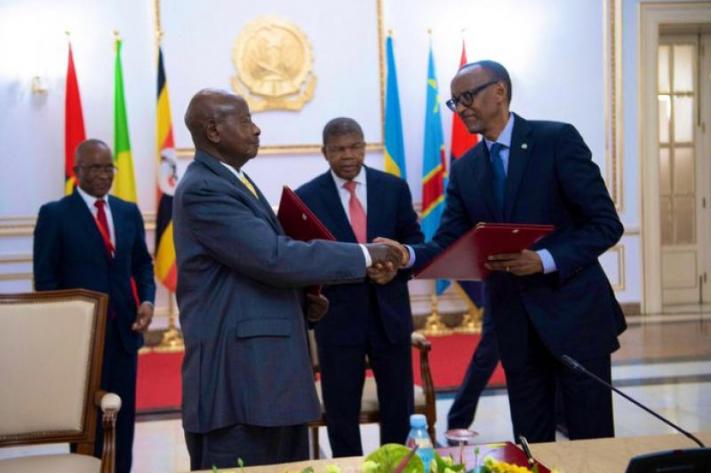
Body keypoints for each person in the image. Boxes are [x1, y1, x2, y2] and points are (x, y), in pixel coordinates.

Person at [378, 60, 626, 442]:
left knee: (591, 443)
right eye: (454, 102)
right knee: (531, 446)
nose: (461, 109)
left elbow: (605, 224)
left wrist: (543, 260)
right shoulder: (466, 169)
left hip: (575, 319)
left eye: (467, 97)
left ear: (500, 92)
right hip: (516, 327)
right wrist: (405, 256)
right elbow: (447, 242)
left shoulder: (556, 140)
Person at [172, 89, 403, 469]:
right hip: (241, 382)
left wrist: (302, 301)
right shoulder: (205, 188)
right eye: (246, 120)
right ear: (213, 130)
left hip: (268, 379)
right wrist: (364, 255)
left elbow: (249, 269)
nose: (256, 129)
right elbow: (272, 257)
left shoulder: (232, 180)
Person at [296, 117, 424, 456]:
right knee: (341, 413)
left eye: (355, 147)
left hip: (390, 317)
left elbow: (414, 243)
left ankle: (395, 465)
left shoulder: (393, 188)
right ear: (325, 152)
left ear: (365, 147)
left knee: (398, 408)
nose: (348, 155)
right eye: (338, 149)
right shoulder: (307, 197)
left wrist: (395, 269)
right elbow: (304, 259)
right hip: (338, 322)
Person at [33, 139, 155, 473]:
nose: (104, 175)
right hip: (81, 341)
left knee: (123, 421)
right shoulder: (55, 215)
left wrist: (146, 300)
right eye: (95, 168)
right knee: (88, 424)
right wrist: (63, 327)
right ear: (77, 171)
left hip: (124, 334)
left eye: (108, 168)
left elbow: (142, 265)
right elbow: (45, 281)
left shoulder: (127, 211)